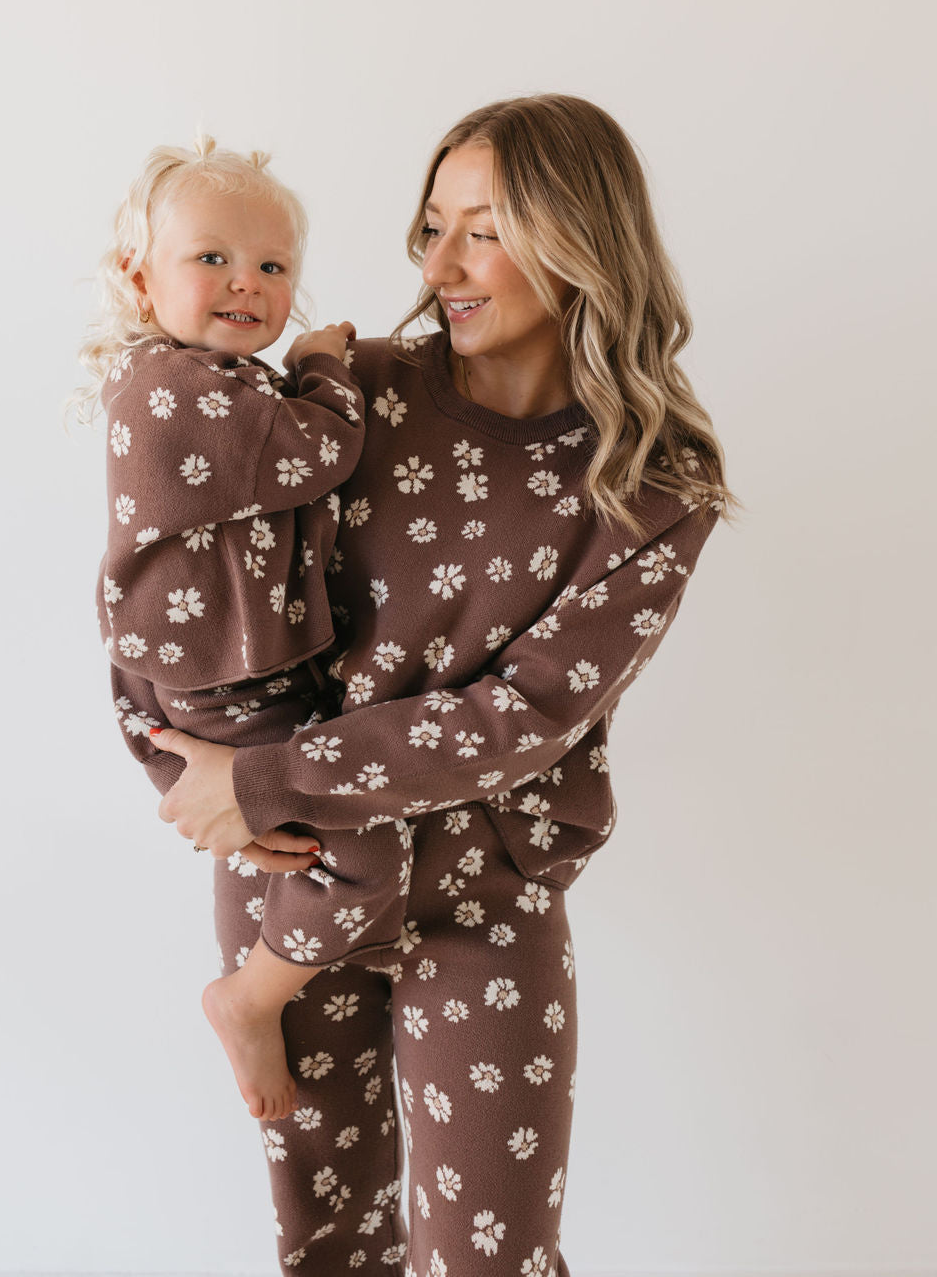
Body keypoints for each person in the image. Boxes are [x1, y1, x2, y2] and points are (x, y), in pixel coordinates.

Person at [147, 95, 737, 1276]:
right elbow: (182, 573)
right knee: (331, 1246)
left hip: (485, 899)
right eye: (431, 226)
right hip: (303, 878)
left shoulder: (656, 481)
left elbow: (524, 716)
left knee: (492, 1257)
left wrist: (261, 776)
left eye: (483, 228)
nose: (442, 264)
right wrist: (171, 757)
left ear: (582, 240)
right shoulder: (340, 398)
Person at [78, 137, 414, 1122]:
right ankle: (250, 995)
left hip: (181, 664)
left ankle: (257, 958)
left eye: (273, 267)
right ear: (140, 279)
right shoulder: (178, 384)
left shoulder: (203, 381)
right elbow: (319, 450)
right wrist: (324, 364)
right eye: (212, 258)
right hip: (225, 673)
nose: (246, 283)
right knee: (362, 852)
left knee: (253, 837)